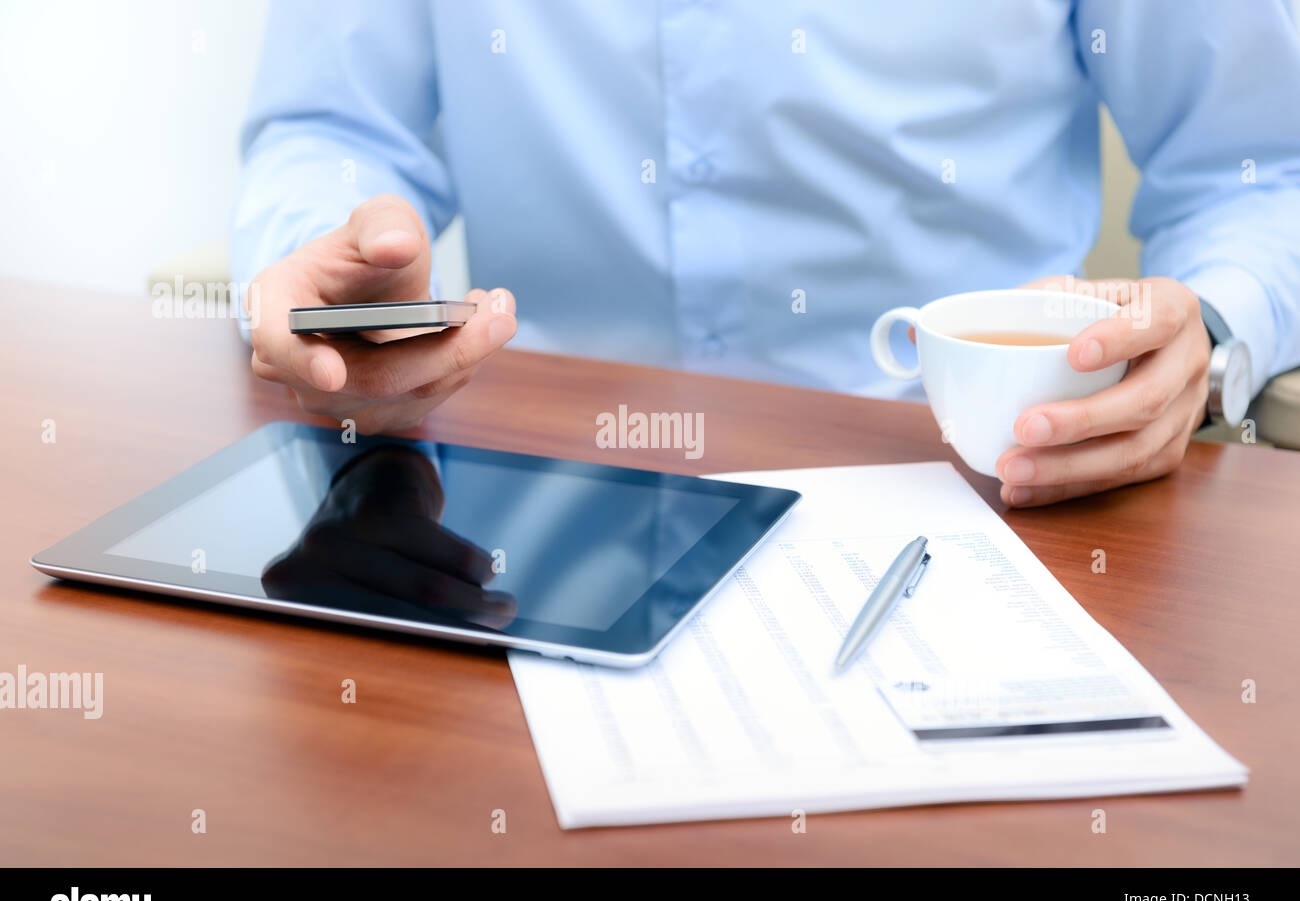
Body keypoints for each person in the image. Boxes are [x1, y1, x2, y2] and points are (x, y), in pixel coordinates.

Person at [233, 0, 1300, 507]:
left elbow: (1256, 166)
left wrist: (1202, 333)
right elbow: (333, 129)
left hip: (989, 493)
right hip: (525, 492)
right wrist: (332, 271)